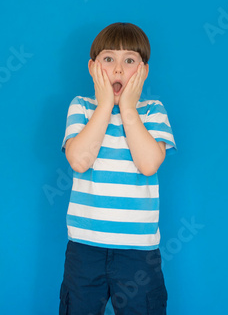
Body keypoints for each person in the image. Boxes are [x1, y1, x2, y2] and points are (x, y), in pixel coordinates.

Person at [59, 22, 177, 314]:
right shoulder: (82, 107)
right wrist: (103, 107)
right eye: (109, 59)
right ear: (93, 67)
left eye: (130, 61)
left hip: (139, 253)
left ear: (144, 70)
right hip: (85, 249)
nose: (118, 69)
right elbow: (79, 161)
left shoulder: (153, 111)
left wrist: (127, 108)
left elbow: (149, 164)